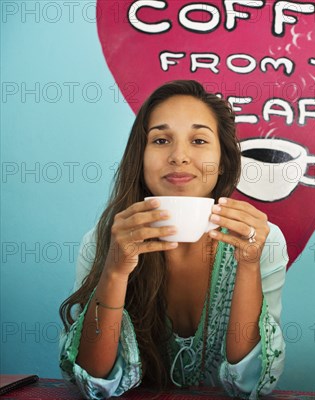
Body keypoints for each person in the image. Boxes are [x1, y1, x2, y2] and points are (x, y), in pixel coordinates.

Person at [59, 80, 288, 400]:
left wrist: (248, 265)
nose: (179, 156)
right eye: (161, 139)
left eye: (198, 140)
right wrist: (114, 271)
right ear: (140, 157)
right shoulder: (102, 242)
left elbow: (250, 385)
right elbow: (93, 383)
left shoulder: (263, 241)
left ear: (222, 161)